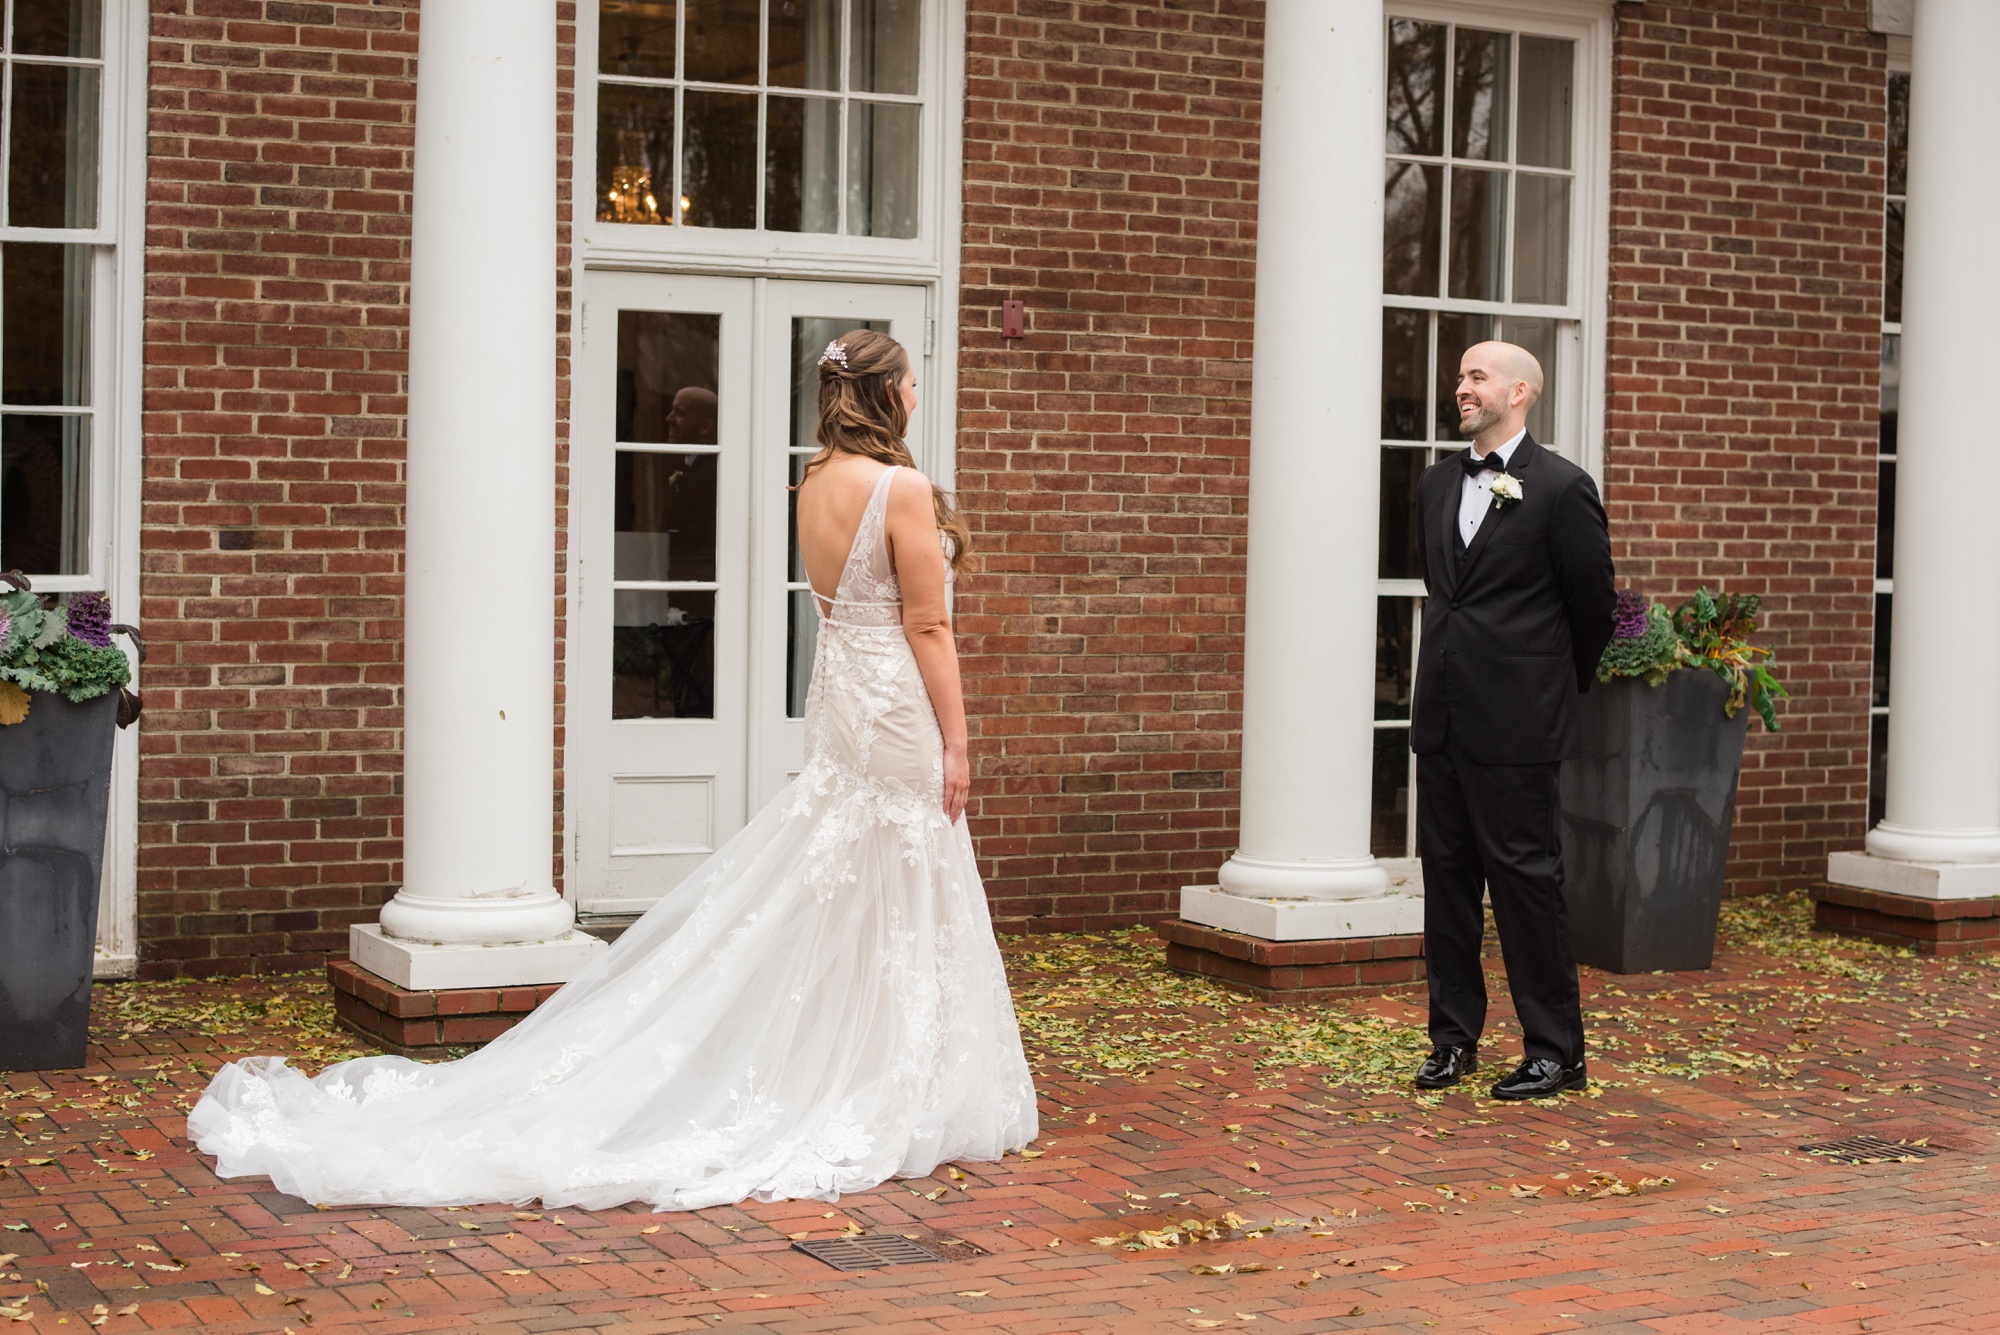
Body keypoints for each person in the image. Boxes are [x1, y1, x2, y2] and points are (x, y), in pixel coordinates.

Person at [188, 330, 1038, 1210]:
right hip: (892, 703)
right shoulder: (898, 486)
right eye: (909, 383)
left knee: (851, 881)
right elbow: (928, 626)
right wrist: (960, 741)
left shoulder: (816, 480)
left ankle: (856, 1059)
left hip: (840, 699)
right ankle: (880, 1073)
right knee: (896, 874)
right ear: (888, 391)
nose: (913, 396)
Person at [1409, 341, 1616, 1101]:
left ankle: (1555, 1050)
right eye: (1460, 374)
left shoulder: (1562, 488)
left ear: (1519, 391)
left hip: (1520, 724)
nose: (1462, 387)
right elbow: (1447, 596)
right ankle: (1452, 1039)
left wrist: (1551, 691)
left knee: (1529, 886)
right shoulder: (1434, 485)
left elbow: (1592, 606)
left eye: (1477, 376)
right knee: (1449, 886)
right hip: (1442, 721)